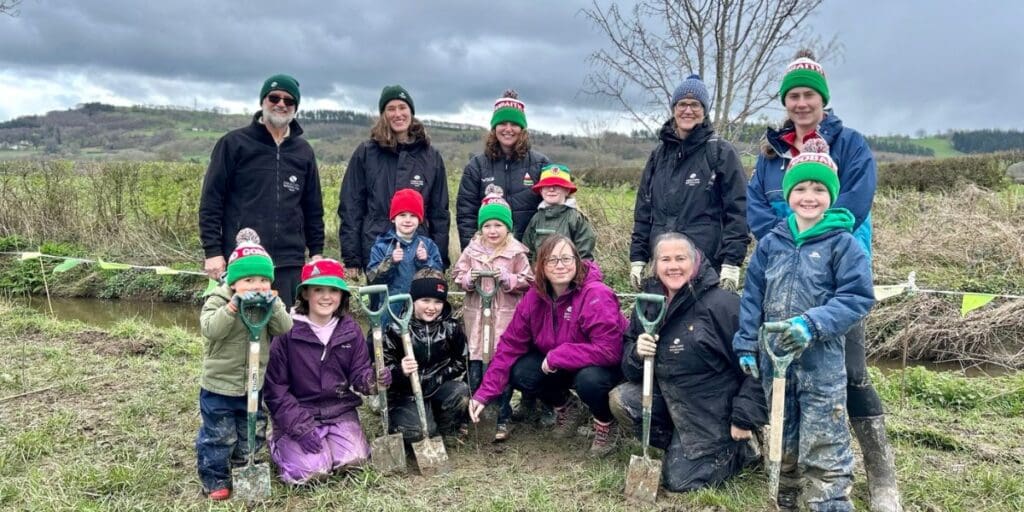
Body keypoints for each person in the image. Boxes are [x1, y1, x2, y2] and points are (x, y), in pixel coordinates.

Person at [746, 50, 900, 512]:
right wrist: (784, 233)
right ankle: (789, 478)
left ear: (822, 99)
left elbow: (853, 202)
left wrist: (814, 229)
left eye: (808, 95)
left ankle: (879, 477)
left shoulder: (849, 144)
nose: (801, 103)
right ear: (785, 101)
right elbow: (757, 208)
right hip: (781, 271)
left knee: (848, 372)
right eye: (792, 95)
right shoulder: (771, 152)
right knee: (788, 382)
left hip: (832, 277)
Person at [734, 145, 875, 511]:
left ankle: (826, 501)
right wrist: (747, 343)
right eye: (800, 188)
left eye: (818, 189)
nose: (808, 196)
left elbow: (857, 297)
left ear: (831, 195)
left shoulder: (843, 244)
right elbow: (752, 297)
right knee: (783, 435)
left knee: (824, 440)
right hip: (774, 360)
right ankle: (787, 495)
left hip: (821, 364)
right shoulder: (770, 244)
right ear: (788, 194)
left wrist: (811, 325)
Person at [609, 232, 766, 492]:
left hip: (714, 408)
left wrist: (744, 416)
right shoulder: (649, 303)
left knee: (679, 481)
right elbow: (630, 369)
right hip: (673, 400)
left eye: (681, 258)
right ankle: (680, 446)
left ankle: (741, 448)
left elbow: (757, 365)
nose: (673, 266)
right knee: (622, 400)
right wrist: (637, 353)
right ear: (655, 264)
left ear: (695, 262)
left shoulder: (722, 305)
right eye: (665, 259)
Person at [468, 235, 627, 457]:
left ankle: (606, 423)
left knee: (589, 381)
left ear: (577, 261)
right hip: (561, 365)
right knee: (521, 371)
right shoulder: (535, 298)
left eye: (566, 258)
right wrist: (484, 394)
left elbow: (610, 350)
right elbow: (509, 346)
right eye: (552, 260)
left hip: (603, 368)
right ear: (541, 266)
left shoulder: (596, 294)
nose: (560, 265)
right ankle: (567, 407)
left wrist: (560, 354)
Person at [199, 73, 325, 308]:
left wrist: (316, 252)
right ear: (262, 101)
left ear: (296, 107)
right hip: (243, 260)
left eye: (288, 101)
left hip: (289, 263)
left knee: (282, 336)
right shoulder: (234, 144)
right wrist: (212, 251)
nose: (281, 104)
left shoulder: (304, 151)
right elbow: (211, 201)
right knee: (239, 336)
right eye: (274, 97)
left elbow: (312, 207)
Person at [263, 259, 390, 484]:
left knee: (356, 461)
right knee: (312, 473)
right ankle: (277, 442)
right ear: (304, 294)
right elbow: (275, 390)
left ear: (342, 295)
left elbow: (359, 373)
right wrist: (298, 426)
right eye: (318, 289)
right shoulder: (286, 332)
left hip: (339, 410)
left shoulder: (350, 330)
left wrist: (372, 380)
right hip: (299, 412)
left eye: (333, 290)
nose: (326, 296)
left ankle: (332, 443)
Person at [195, 229, 293, 500]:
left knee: (253, 429)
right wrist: (232, 309)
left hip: (253, 383)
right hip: (219, 385)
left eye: (263, 279)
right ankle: (214, 478)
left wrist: (275, 306)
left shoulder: (269, 302)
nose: (257, 285)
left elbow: (285, 328)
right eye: (249, 279)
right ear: (235, 281)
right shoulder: (219, 299)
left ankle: (244, 465)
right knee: (219, 435)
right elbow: (210, 330)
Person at [628, 74, 747, 292]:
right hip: (664, 265)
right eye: (682, 104)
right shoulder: (658, 156)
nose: (688, 110)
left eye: (695, 105)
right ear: (674, 108)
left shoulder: (720, 152)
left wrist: (731, 262)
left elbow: (738, 211)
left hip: (705, 266)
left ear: (704, 110)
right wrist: (638, 258)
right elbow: (644, 212)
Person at [339, 85, 451, 276]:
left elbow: (440, 213)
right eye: (391, 109)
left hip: (420, 254)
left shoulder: (431, 157)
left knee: (421, 306)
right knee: (380, 305)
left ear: (411, 112)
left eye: (402, 107)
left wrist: (438, 259)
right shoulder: (366, 153)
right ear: (383, 114)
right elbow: (351, 206)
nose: (397, 114)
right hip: (376, 250)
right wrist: (352, 257)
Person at [452, 186, 533, 441]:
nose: (493, 231)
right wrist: (469, 278)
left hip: (504, 318)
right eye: (487, 225)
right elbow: (456, 275)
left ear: (507, 227)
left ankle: (502, 417)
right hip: (477, 318)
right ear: (481, 228)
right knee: (476, 371)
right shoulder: (472, 250)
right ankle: (474, 416)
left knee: (501, 370)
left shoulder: (517, 252)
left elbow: (529, 279)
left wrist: (508, 279)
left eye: (498, 225)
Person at [382, 270, 471, 446]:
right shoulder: (396, 329)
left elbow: (461, 360)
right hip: (406, 394)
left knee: (460, 391)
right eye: (425, 300)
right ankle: (412, 422)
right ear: (413, 299)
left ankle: (446, 428)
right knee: (418, 432)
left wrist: (439, 376)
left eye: (438, 301)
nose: (432, 307)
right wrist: (401, 371)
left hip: (437, 387)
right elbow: (385, 367)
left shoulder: (451, 327)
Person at [456, 89, 550, 248]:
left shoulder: (541, 164)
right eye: (502, 123)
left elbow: (554, 210)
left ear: (522, 129)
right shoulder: (476, 166)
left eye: (514, 124)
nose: (508, 129)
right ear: (494, 127)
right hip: (489, 256)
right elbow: (466, 216)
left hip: (531, 254)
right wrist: (474, 254)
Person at [365, 188, 444, 318]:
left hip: (419, 311)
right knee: (389, 338)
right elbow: (373, 278)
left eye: (413, 216)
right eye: (402, 215)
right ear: (393, 218)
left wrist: (426, 261)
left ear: (420, 219)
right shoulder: (381, 246)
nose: (407, 220)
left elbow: (439, 278)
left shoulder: (428, 246)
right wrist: (391, 262)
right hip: (389, 309)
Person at [521, 164, 597, 262]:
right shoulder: (536, 218)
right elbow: (528, 252)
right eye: (546, 186)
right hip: (539, 276)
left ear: (567, 190)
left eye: (557, 186)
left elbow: (584, 255)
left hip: (568, 274)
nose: (551, 189)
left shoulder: (576, 218)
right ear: (541, 190)